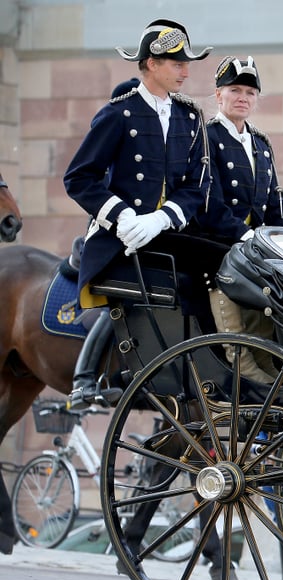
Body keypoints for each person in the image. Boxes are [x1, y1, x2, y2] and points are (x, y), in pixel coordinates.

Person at [63, 18, 213, 408]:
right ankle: (85, 377)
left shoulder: (188, 116)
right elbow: (80, 177)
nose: (185, 70)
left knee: (220, 267)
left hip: (168, 231)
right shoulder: (119, 114)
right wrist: (124, 217)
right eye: (176, 63)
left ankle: (215, 366)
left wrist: (162, 218)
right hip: (118, 238)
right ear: (150, 64)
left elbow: (197, 186)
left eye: (186, 63)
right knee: (141, 286)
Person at [193, 55, 283, 384]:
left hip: (258, 258)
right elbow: (209, 204)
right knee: (240, 346)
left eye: (250, 93)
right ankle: (254, 385)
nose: (242, 98)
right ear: (218, 94)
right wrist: (248, 237)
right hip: (220, 253)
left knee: (266, 340)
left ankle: (275, 389)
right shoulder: (206, 137)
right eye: (234, 90)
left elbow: (276, 203)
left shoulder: (261, 144)